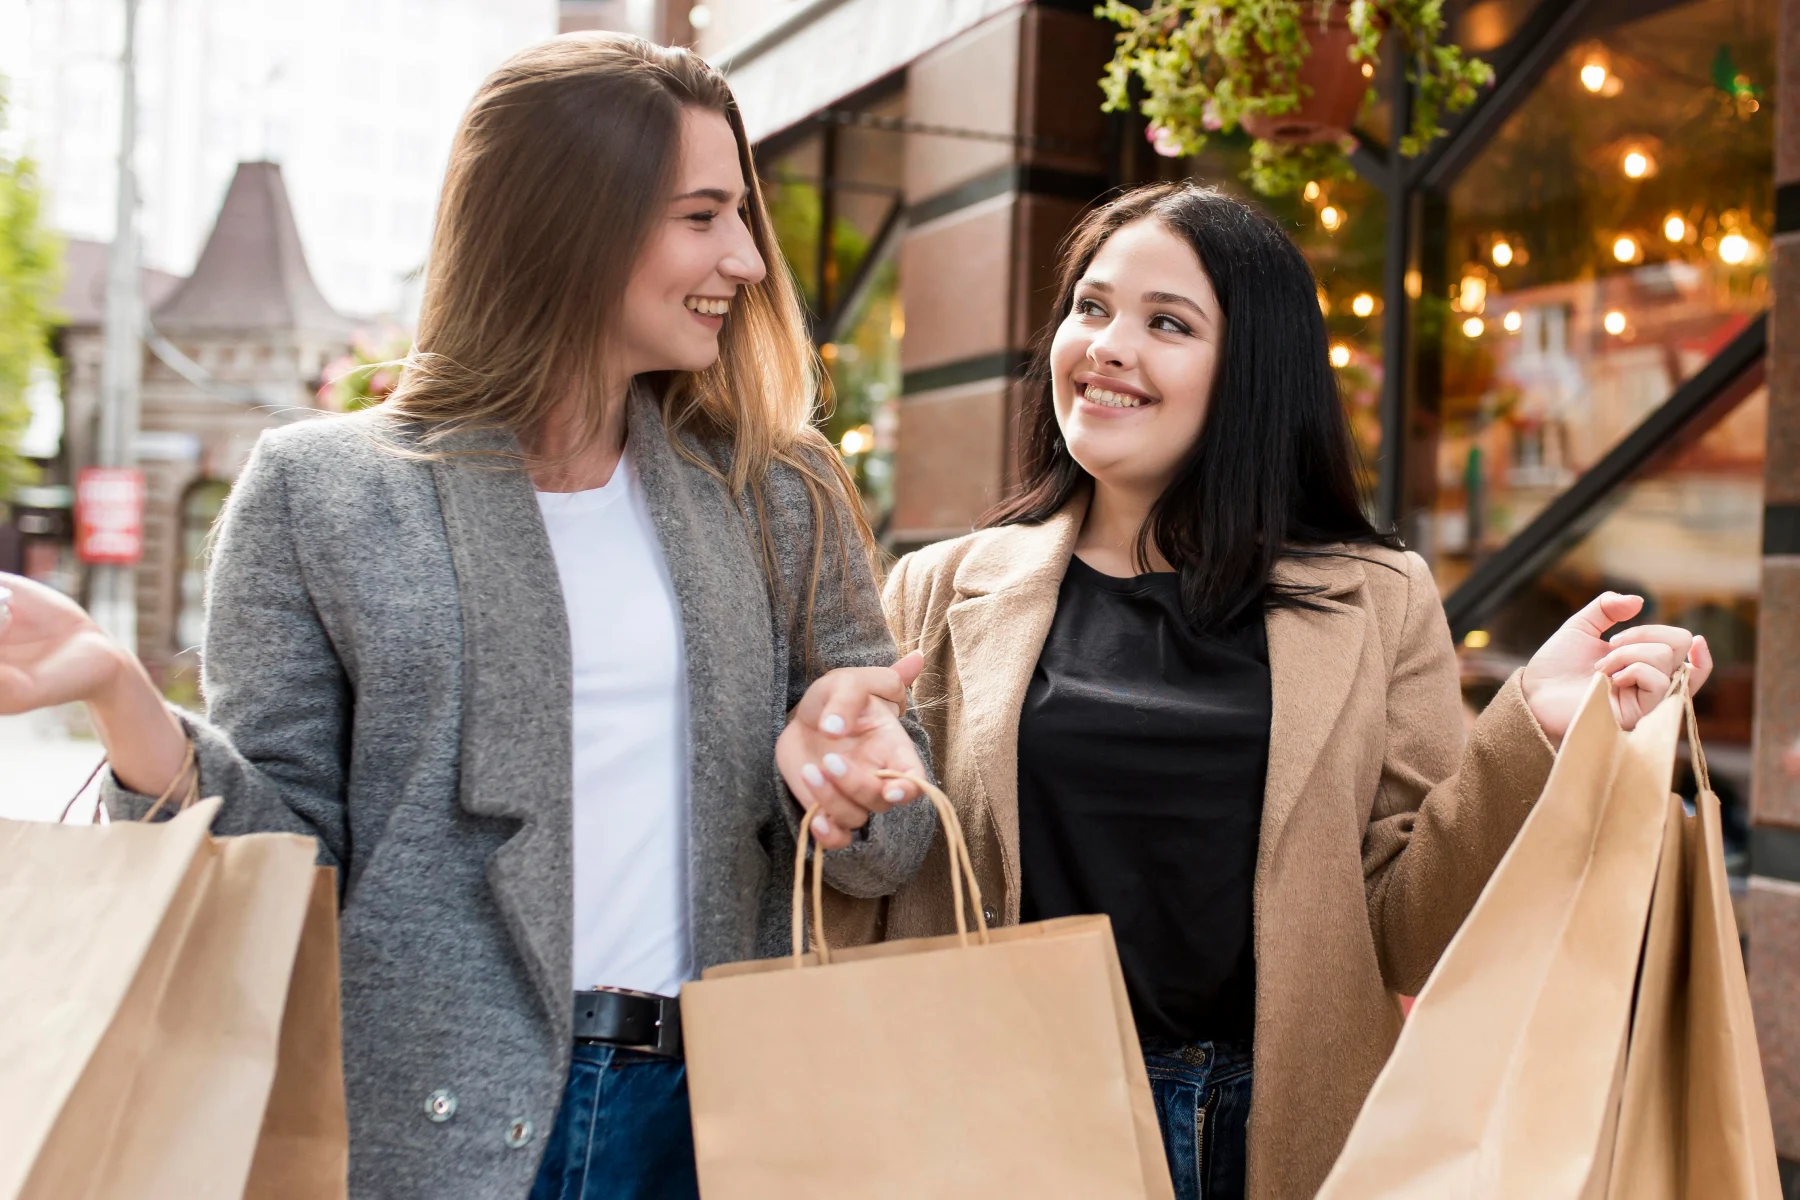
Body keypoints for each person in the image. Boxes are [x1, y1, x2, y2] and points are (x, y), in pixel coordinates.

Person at [0, 34, 931, 1199]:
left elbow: (895, 842)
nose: (747, 257)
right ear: (568, 222)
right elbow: (286, 861)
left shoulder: (774, 491)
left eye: (740, 214)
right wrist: (120, 696)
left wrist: (847, 774)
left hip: (721, 1125)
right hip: (430, 1130)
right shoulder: (319, 490)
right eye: (702, 215)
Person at [813, 183, 1712, 1200]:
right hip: (1005, 1122)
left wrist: (1533, 730)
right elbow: (872, 876)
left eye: (1168, 324)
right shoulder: (938, 587)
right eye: (1091, 307)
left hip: (1277, 1134)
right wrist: (836, 796)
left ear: (1251, 373)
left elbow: (1409, 931)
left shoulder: (1376, 600)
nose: (1107, 345)